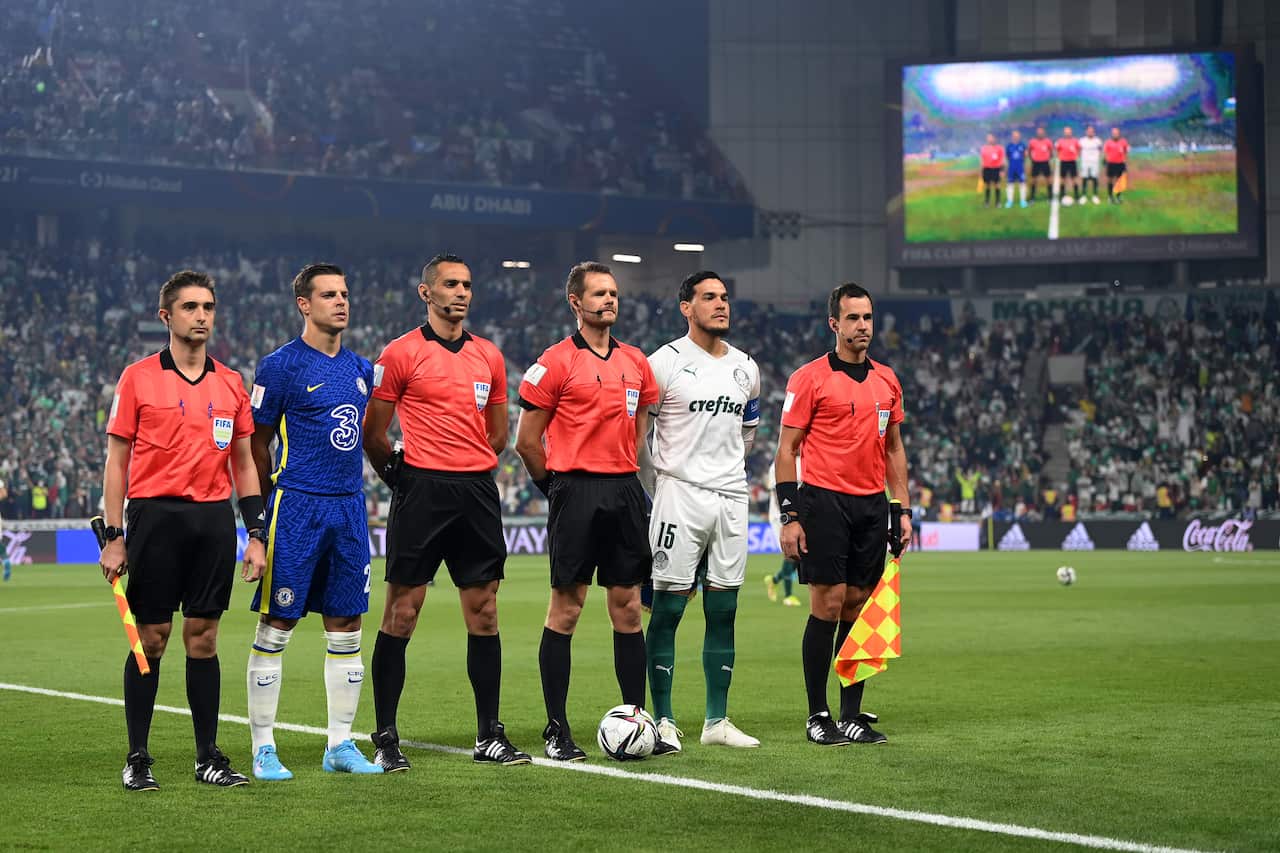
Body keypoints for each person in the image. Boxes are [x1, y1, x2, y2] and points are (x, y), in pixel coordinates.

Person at [99, 269, 267, 790]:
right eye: (191, 307)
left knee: (204, 637)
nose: (201, 316)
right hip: (154, 518)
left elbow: (243, 462)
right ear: (166, 316)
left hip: (213, 521)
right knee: (150, 639)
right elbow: (116, 461)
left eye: (208, 307)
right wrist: (112, 535)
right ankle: (138, 756)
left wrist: (256, 533)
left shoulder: (230, 383)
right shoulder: (138, 378)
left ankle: (207, 757)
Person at [362, 253, 529, 771]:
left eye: (467, 284)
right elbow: (374, 431)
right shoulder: (401, 353)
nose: (461, 292)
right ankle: (386, 735)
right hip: (422, 493)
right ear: (426, 293)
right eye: (451, 284)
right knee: (402, 612)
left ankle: (489, 735)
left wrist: (470, 463)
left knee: (484, 612)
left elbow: (499, 434)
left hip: (476, 493)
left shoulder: (489, 356)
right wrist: (400, 477)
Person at [515, 261, 658, 761]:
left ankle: (638, 722)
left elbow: (640, 428)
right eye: (598, 293)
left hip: (624, 492)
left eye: (613, 293)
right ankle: (557, 729)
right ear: (575, 302)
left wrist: (629, 475)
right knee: (568, 609)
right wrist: (554, 488)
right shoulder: (555, 362)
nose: (609, 300)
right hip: (573, 490)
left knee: (627, 609)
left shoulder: (637, 362)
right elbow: (526, 442)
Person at [243, 263, 382, 781]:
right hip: (296, 505)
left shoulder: (361, 368)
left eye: (345, 293)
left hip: (349, 508)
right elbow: (256, 445)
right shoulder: (279, 367)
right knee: (277, 625)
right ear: (304, 303)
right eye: (328, 295)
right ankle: (263, 747)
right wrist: (259, 519)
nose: (341, 302)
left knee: (347, 626)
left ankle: (340, 745)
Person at [775, 282, 912, 747]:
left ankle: (851, 715)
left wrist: (903, 508)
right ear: (834, 323)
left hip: (872, 505)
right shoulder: (809, 378)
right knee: (827, 605)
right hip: (823, 502)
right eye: (853, 318)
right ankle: (818, 715)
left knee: (858, 607)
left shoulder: (887, 380)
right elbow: (786, 450)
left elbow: (893, 448)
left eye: (868, 318)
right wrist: (790, 514)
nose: (862, 327)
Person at [640, 271, 761, 753]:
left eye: (725, 297)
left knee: (724, 608)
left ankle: (717, 720)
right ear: (685, 307)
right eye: (709, 298)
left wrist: (723, 474)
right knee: (668, 606)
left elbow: (746, 435)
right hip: (678, 495)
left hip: (730, 497)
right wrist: (661, 488)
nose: (721, 305)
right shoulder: (663, 363)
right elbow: (639, 439)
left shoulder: (746, 368)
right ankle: (664, 718)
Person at [764, 460, 800, 606]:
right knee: (790, 554)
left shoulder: (803, 460)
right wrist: (788, 518)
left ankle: (774, 580)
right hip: (781, 516)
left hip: (800, 514)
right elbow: (778, 492)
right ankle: (788, 596)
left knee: (800, 556)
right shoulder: (779, 463)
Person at [1079, 125, 1104, 205]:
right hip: (1085, 162)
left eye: (1092, 131)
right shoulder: (1082, 141)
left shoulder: (1098, 140)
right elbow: (1078, 150)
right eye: (1089, 131)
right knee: (1084, 179)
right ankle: (1083, 196)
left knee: (1095, 179)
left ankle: (1095, 196)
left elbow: (1101, 149)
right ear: (1086, 132)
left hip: (1094, 162)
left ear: (1094, 132)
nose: (1090, 132)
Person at [1055, 126, 1081, 204]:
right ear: (1064, 133)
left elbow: (1079, 149)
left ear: (1071, 133)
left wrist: (1076, 156)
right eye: (1066, 132)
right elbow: (1057, 150)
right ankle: (1062, 196)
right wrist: (1060, 156)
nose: (1067, 133)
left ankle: (1076, 196)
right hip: (1063, 162)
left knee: (1074, 179)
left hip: (1072, 162)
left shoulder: (1075, 141)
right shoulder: (1060, 141)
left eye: (1069, 132)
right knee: (1063, 179)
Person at [1027, 126, 1053, 203]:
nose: (1040, 134)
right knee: (1033, 180)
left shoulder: (1048, 141)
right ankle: (1032, 198)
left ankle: (1050, 197)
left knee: (1048, 180)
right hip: (1036, 163)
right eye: (1039, 132)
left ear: (1044, 133)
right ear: (1037, 133)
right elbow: (1029, 151)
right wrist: (1032, 158)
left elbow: (1051, 151)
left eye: (1041, 132)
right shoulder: (1032, 141)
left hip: (1045, 162)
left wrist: (1047, 157)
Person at [1105, 127, 1130, 204]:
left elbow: (1126, 151)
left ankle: (1118, 196)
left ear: (1119, 134)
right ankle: (1110, 196)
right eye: (1114, 133)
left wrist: (1124, 160)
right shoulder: (1108, 142)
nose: (1115, 135)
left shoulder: (1123, 142)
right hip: (1111, 163)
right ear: (1112, 134)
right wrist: (1106, 161)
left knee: (1119, 180)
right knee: (1110, 180)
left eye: (1116, 133)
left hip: (1120, 163)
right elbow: (1106, 152)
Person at [1004, 129, 1028, 209]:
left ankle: (1023, 201)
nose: (1016, 137)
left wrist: (1023, 164)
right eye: (1014, 136)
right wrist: (1006, 168)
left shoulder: (1022, 145)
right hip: (1011, 168)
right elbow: (1007, 157)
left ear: (1019, 136)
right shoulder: (1009, 146)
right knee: (1010, 184)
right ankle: (1010, 201)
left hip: (1020, 168)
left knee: (1022, 184)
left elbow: (1025, 155)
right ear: (1012, 137)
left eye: (1017, 136)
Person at [979, 133, 1004, 209]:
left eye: (991, 138)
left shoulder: (999, 148)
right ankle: (987, 202)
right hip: (987, 169)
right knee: (987, 185)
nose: (989, 139)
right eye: (988, 138)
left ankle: (998, 202)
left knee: (997, 185)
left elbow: (1002, 160)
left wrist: (1002, 170)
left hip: (996, 169)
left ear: (994, 138)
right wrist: (981, 171)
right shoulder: (984, 148)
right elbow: (982, 160)